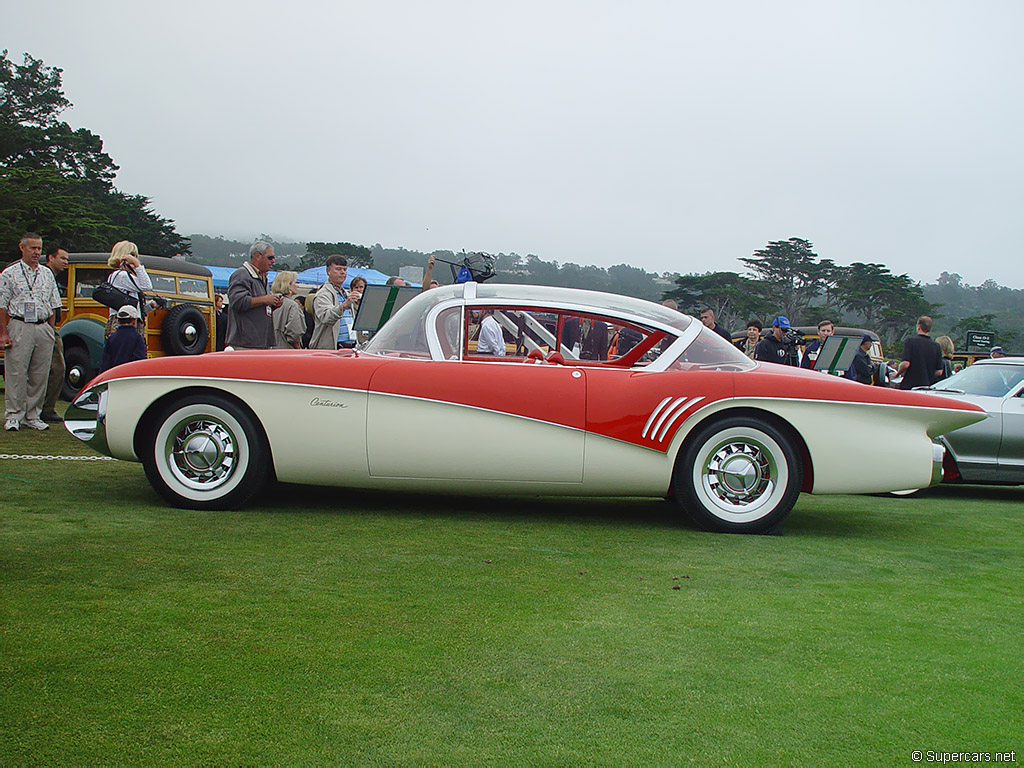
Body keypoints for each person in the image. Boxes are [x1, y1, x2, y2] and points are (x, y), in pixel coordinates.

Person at [1, 233, 62, 431]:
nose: (36, 252)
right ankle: (14, 415)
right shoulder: (9, 274)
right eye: (32, 248)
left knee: (40, 373)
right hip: (20, 324)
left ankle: (32, 414)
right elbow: (2, 306)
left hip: (43, 326)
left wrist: (50, 330)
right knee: (16, 371)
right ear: (22, 248)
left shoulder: (46, 273)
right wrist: (3, 333)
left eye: (39, 249)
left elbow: (54, 304)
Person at [225, 241, 281, 349]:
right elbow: (237, 301)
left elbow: (257, 306)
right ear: (257, 256)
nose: (273, 261)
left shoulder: (261, 277)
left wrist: (273, 304)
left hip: (260, 343)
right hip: (245, 344)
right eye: (270, 257)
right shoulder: (242, 275)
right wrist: (265, 300)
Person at [40, 245, 69, 422]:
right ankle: (45, 407)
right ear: (50, 258)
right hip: (44, 325)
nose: (66, 262)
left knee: (55, 368)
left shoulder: (53, 278)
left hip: (51, 325)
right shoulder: (44, 275)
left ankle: (45, 406)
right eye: (62, 258)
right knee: (55, 368)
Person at [309, 255, 363, 350]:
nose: (342, 272)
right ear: (328, 271)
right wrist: (345, 304)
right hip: (331, 349)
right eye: (338, 269)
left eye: (345, 270)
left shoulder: (345, 294)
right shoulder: (323, 294)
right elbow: (326, 317)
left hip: (350, 346)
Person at [104, 241, 152, 337]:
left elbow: (132, 303)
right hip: (127, 323)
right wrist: (137, 265)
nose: (135, 258)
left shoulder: (115, 275)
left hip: (122, 320)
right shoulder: (122, 276)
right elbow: (147, 286)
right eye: (133, 255)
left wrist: (150, 305)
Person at [897, 316, 943, 390]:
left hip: (910, 386)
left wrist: (897, 374)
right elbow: (939, 371)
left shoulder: (910, 342)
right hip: (927, 387)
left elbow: (905, 364)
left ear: (919, 326)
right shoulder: (936, 346)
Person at [100, 305, 147, 371]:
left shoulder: (111, 338)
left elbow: (105, 363)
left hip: (114, 376)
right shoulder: (137, 338)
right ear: (134, 320)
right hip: (129, 376)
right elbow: (139, 361)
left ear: (118, 321)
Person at [270, 271, 305, 349]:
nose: (297, 286)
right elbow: (294, 332)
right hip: (286, 349)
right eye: (295, 282)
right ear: (288, 285)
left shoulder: (269, 302)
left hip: (270, 349)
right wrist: (298, 348)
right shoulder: (292, 305)